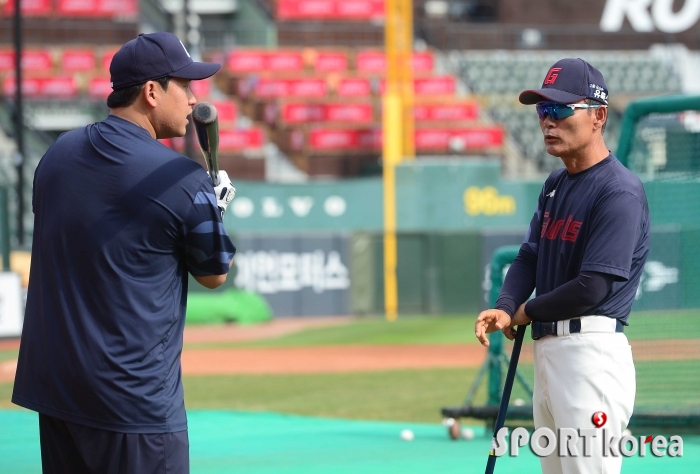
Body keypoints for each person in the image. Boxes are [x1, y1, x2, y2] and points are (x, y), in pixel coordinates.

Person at [12, 32, 237, 474]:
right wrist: (214, 207)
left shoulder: (56, 154)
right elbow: (213, 273)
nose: (194, 101)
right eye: (185, 86)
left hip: (58, 393)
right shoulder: (181, 178)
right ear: (152, 92)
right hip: (134, 403)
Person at [475, 58, 650, 474]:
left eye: (559, 110)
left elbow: (592, 287)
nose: (547, 122)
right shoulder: (555, 184)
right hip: (551, 353)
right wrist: (506, 303)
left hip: (591, 356)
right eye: (542, 111)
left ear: (598, 116)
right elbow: (530, 255)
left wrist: (525, 311)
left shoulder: (619, 191)